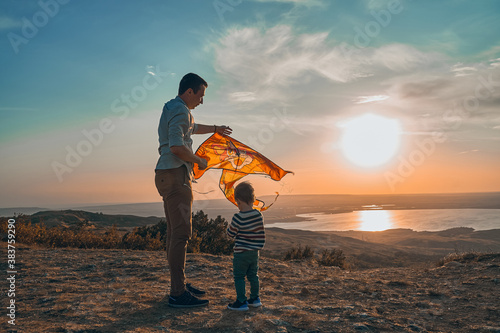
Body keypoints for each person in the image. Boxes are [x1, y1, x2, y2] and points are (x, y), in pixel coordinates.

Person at [154, 73, 232, 308]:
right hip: (176, 174)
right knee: (181, 234)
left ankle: (179, 284)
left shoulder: (173, 107)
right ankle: (177, 293)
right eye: (201, 95)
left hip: (166, 174)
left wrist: (215, 129)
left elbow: (191, 127)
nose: (201, 101)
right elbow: (177, 146)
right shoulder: (181, 110)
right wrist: (199, 160)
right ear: (190, 92)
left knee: (173, 233)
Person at [226, 182, 265, 311]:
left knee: (239, 276)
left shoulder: (238, 217)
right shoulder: (258, 215)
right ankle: (255, 299)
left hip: (241, 253)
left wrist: (228, 230)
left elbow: (230, 234)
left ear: (237, 200)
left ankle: (241, 301)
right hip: (254, 253)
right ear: (252, 199)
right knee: (253, 275)